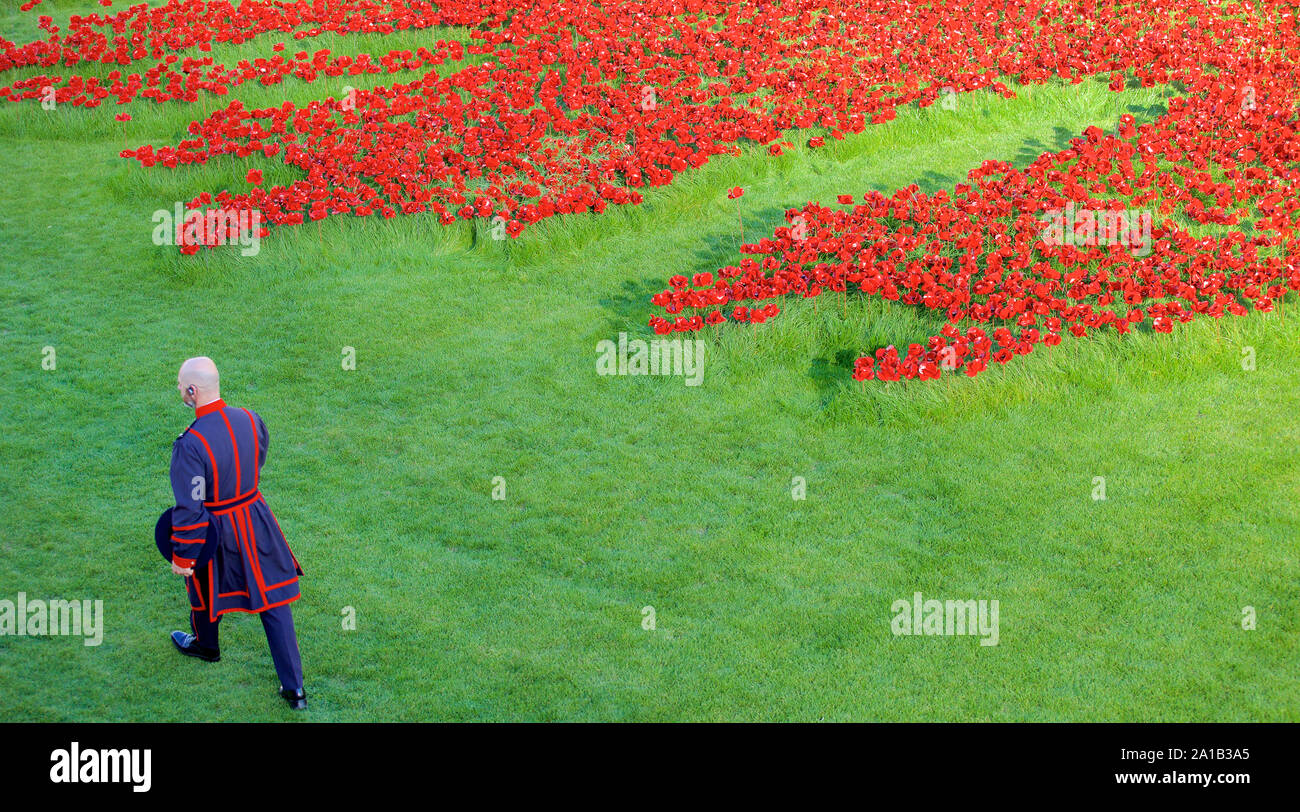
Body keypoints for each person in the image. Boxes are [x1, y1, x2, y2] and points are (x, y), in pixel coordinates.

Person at [167, 356, 307, 710]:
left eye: (181, 385)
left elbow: (190, 508)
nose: (180, 390)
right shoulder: (250, 418)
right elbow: (257, 457)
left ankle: (206, 646)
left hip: (217, 527)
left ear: (192, 391)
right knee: (274, 599)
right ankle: (295, 691)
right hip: (256, 516)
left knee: (201, 583)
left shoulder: (190, 444)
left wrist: (183, 556)